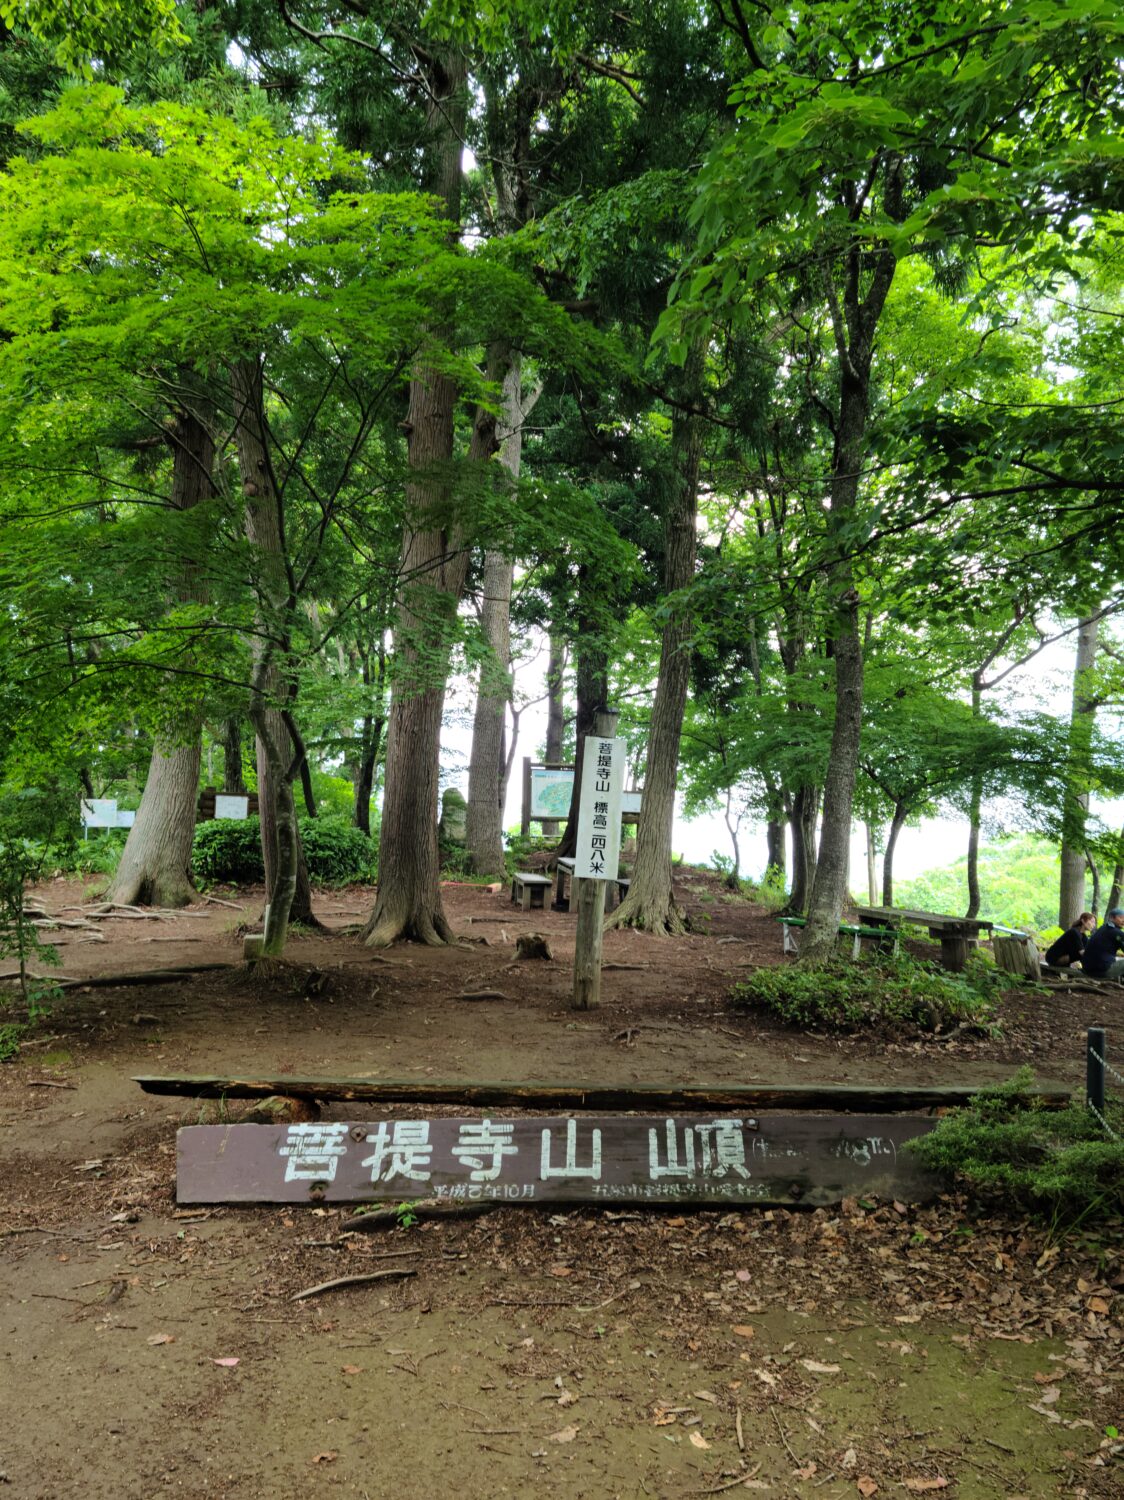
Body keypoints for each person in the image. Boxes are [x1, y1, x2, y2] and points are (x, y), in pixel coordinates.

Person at [1080, 907, 1124, 981]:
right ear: (1111, 918)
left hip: (1088, 969)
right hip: (1101, 972)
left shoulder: (1103, 928)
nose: (1123, 920)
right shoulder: (1116, 932)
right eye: (1121, 918)